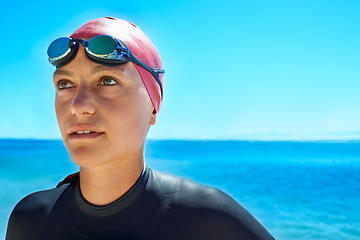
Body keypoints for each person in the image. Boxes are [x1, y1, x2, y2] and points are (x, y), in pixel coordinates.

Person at [5, 17, 274, 240]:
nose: (79, 105)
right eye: (64, 84)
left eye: (107, 80)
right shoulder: (30, 220)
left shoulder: (210, 222)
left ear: (154, 108)